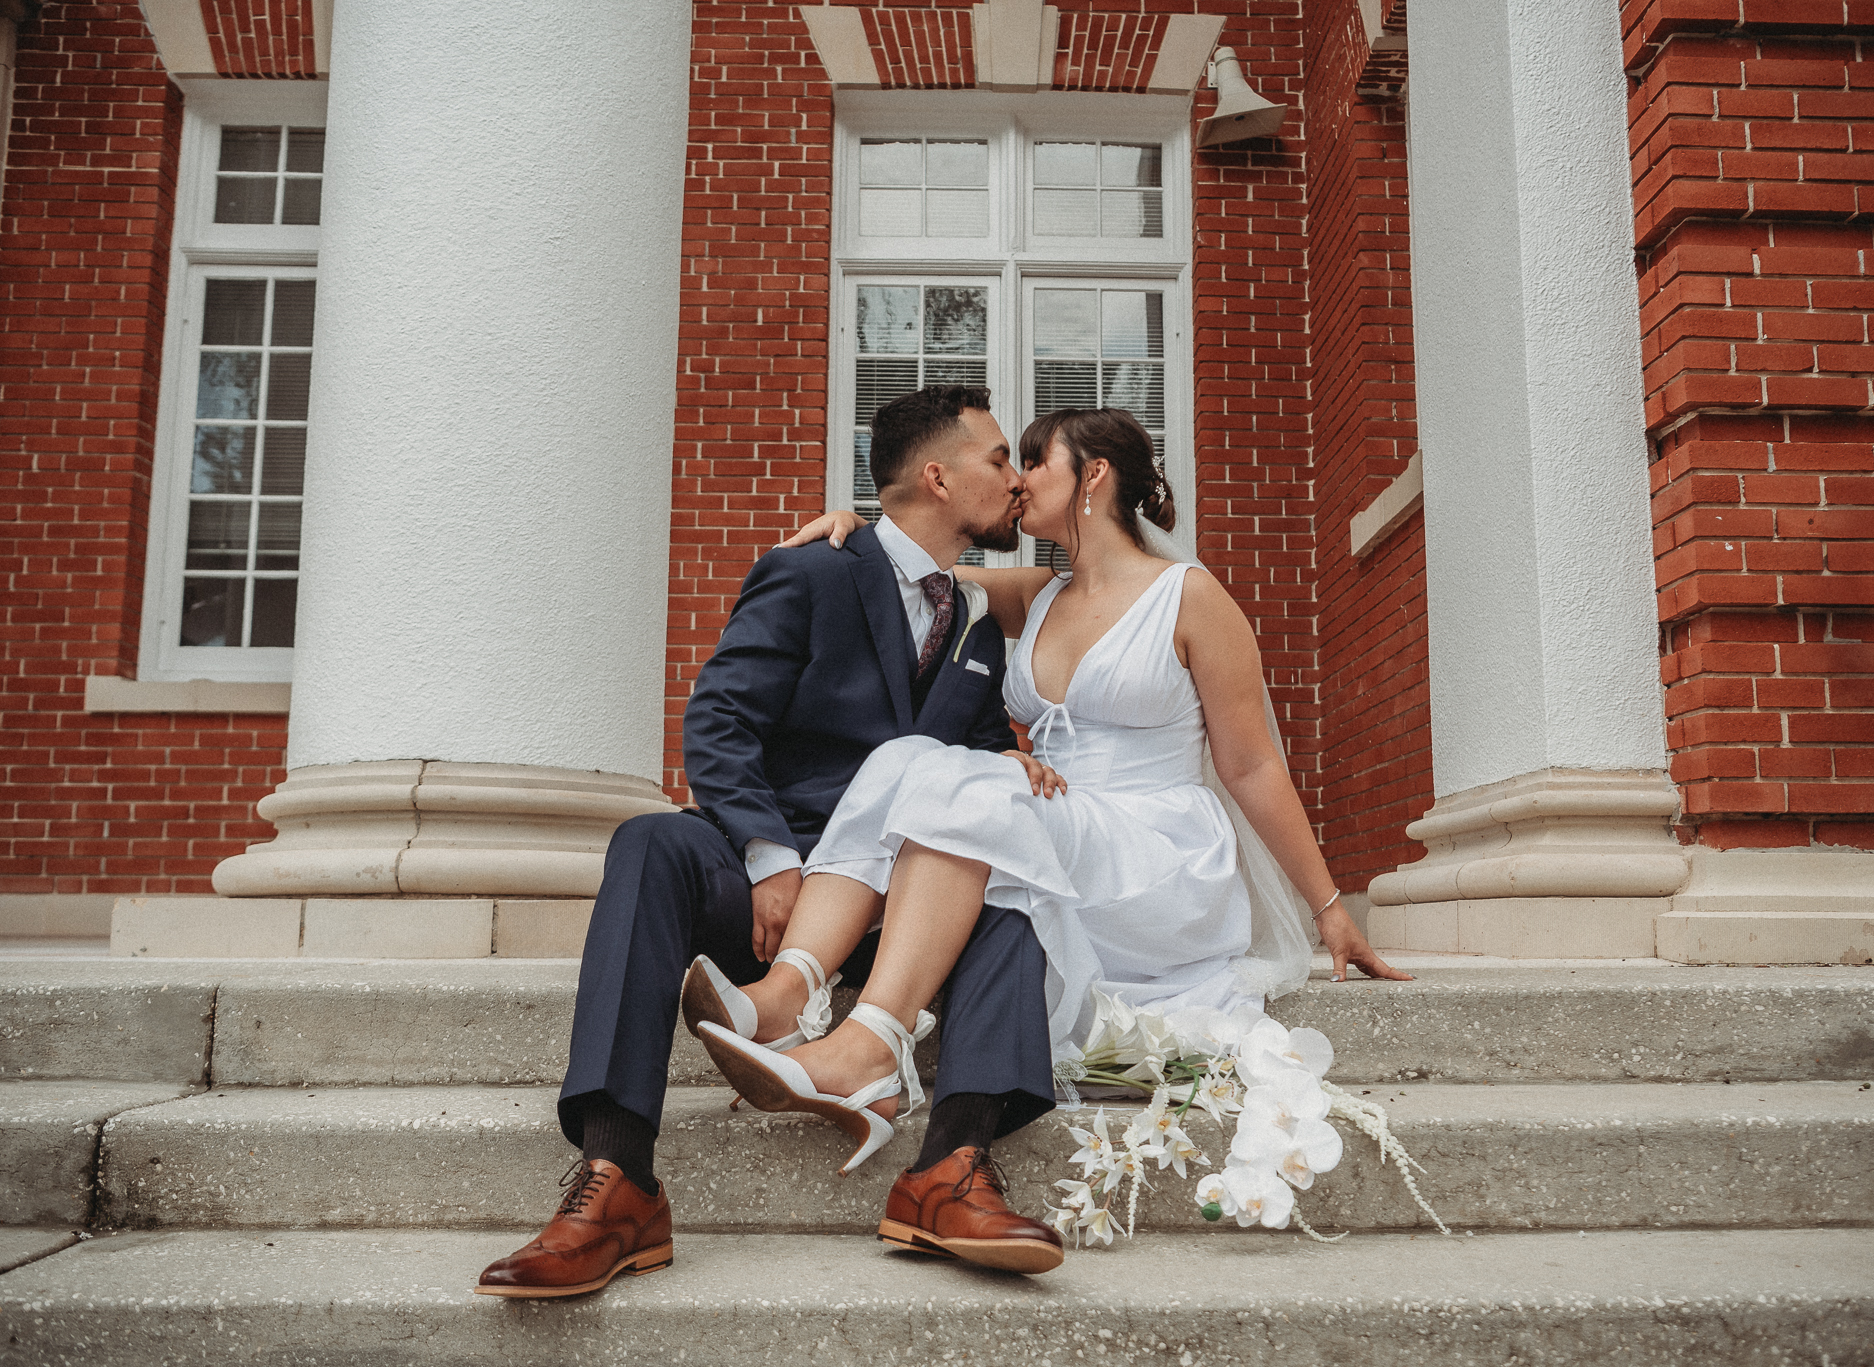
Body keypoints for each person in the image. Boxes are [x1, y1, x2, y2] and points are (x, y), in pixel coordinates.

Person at [693, 407, 1410, 1265]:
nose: (1021, 477)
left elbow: (1251, 767)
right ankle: (790, 994)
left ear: (1095, 475)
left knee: (962, 779)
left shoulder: (1190, 596)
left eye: (1035, 459)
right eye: (1011, 459)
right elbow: (902, 567)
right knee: (908, 757)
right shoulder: (1035, 595)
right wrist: (840, 531)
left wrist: (1328, 904)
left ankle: (866, 1040)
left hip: (1157, 852)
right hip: (1066, 829)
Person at [475, 384, 1065, 1298]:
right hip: (773, 867)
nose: (1016, 481)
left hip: (900, 902)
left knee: (1015, 902)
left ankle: (950, 1169)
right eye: (998, 460)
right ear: (939, 476)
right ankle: (618, 1178)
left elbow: (978, 758)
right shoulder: (816, 569)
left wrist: (1016, 767)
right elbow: (718, 722)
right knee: (649, 842)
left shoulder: (982, 628)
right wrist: (768, 858)